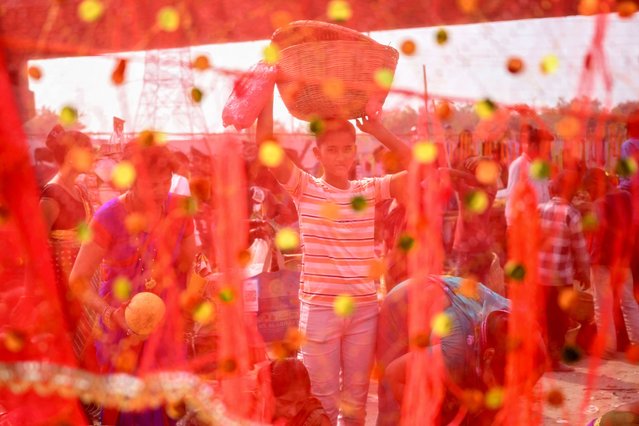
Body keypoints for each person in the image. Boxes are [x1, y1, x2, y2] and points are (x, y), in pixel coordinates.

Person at [256, 90, 409, 425]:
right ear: (318, 152)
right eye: (332, 150)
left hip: (363, 310)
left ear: (356, 151)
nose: (341, 157)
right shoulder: (306, 188)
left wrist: (380, 132)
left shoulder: (367, 190)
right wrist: (267, 90)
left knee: (355, 402)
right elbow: (266, 146)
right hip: (321, 310)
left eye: (347, 149)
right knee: (319, 401)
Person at [68, 140, 196, 425]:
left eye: (166, 182)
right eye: (152, 185)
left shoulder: (180, 210)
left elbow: (189, 263)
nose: (161, 192)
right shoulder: (108, 218)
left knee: (165, 406)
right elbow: (77, 280)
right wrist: (110, 313)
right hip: (120, 330)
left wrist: (187, 302)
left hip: (165, 326)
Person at [376, 275, 536, 425]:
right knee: (393, 410)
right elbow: (394, 375)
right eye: (496, 383)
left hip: (446, 305)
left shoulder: (517, 324)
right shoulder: (455, 352)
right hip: (403, 306)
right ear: (488, 355)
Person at [39, 125, 96, 358]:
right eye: (88, 151)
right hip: (62, 280)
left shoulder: (81, 190)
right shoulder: (51, 195)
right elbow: (37, 248)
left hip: (85, 275)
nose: (93, 156)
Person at [537, 170, 590, 371]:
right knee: (558, 321)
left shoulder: (540, 209)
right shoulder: (572, 214)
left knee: (542, 317)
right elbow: (580, 249)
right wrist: (584, 272)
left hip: (539, 275)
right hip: (561, 279)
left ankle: (540, 358)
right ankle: (553, 361)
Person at [583, 168, 639, 356]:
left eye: (589, 189)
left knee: (603, 304)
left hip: (602, 260)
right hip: (623, 258)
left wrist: (590, 258)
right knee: (629, 302)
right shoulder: (626, 197)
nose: (589, 193)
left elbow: (596, 234)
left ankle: (607, 348)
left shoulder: (599, 203)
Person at [441, 156, 503, 294]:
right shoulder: (488, 188)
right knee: (478, 292)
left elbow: (447, 173)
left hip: (468, 250)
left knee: (465, 295)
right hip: (477, 248)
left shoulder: (476, 191)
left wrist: (464, 172)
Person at [497, 125, 553, 227]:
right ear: (534, 146)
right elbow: (512, 200)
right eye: (545, 148)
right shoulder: (518, 166)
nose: (548, 153)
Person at [257, 358, 331, 426]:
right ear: (268, 394)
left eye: (300, 403)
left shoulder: (316, 419)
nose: (293, 412)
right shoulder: (253, 409)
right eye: (285, 402)